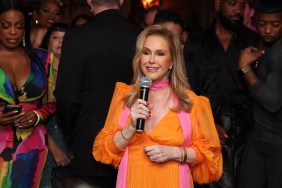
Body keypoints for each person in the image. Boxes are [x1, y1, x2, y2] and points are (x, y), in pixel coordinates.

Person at [93, 25, 222, 188]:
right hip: (133, 180)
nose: (151, 60)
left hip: (172, 181)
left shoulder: (192, 102)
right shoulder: (125, 96)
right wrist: (131, 127)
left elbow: (210, 157)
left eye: (160, 54)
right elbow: (104, 151)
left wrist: (176, 153)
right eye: (146, 52)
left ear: (171, 62)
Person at [54, 0, 142, 187]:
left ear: (89, 1)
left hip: (89, 141)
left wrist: (71, 133)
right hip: (132, 141)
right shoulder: (140, 35)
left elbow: (66, 96)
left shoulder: (77, 36)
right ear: (121, 1)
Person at [184, 0, 258, 187]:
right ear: (217, 4)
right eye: (233, 4)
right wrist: (209, 123)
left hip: (246, 135)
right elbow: (188, 91)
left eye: (242, 6)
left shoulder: (252, 41)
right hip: (206, 134)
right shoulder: (197, 43)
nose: (238, 11)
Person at [0, 0, 56, 187]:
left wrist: (37, 115)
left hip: (31, 147)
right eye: (5, 26)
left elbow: (54, 102)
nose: (13, 32)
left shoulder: (44, 59)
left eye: (19, 26)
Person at [238, 1, 282, 187]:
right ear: (255, 21)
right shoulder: (262, 45)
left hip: (277, 144)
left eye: (275, 24)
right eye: (263, 24)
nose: (268, 30)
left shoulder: (279, 54)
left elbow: (273, 102)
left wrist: (245, 69)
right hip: (258, 138)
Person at [40, 22, 72, 188]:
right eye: (55, 38)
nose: (60, 42)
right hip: (44, 134)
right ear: (47, 43)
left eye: (65, 38)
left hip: (70, 134)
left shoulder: (76, 69)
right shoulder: (38, 72)